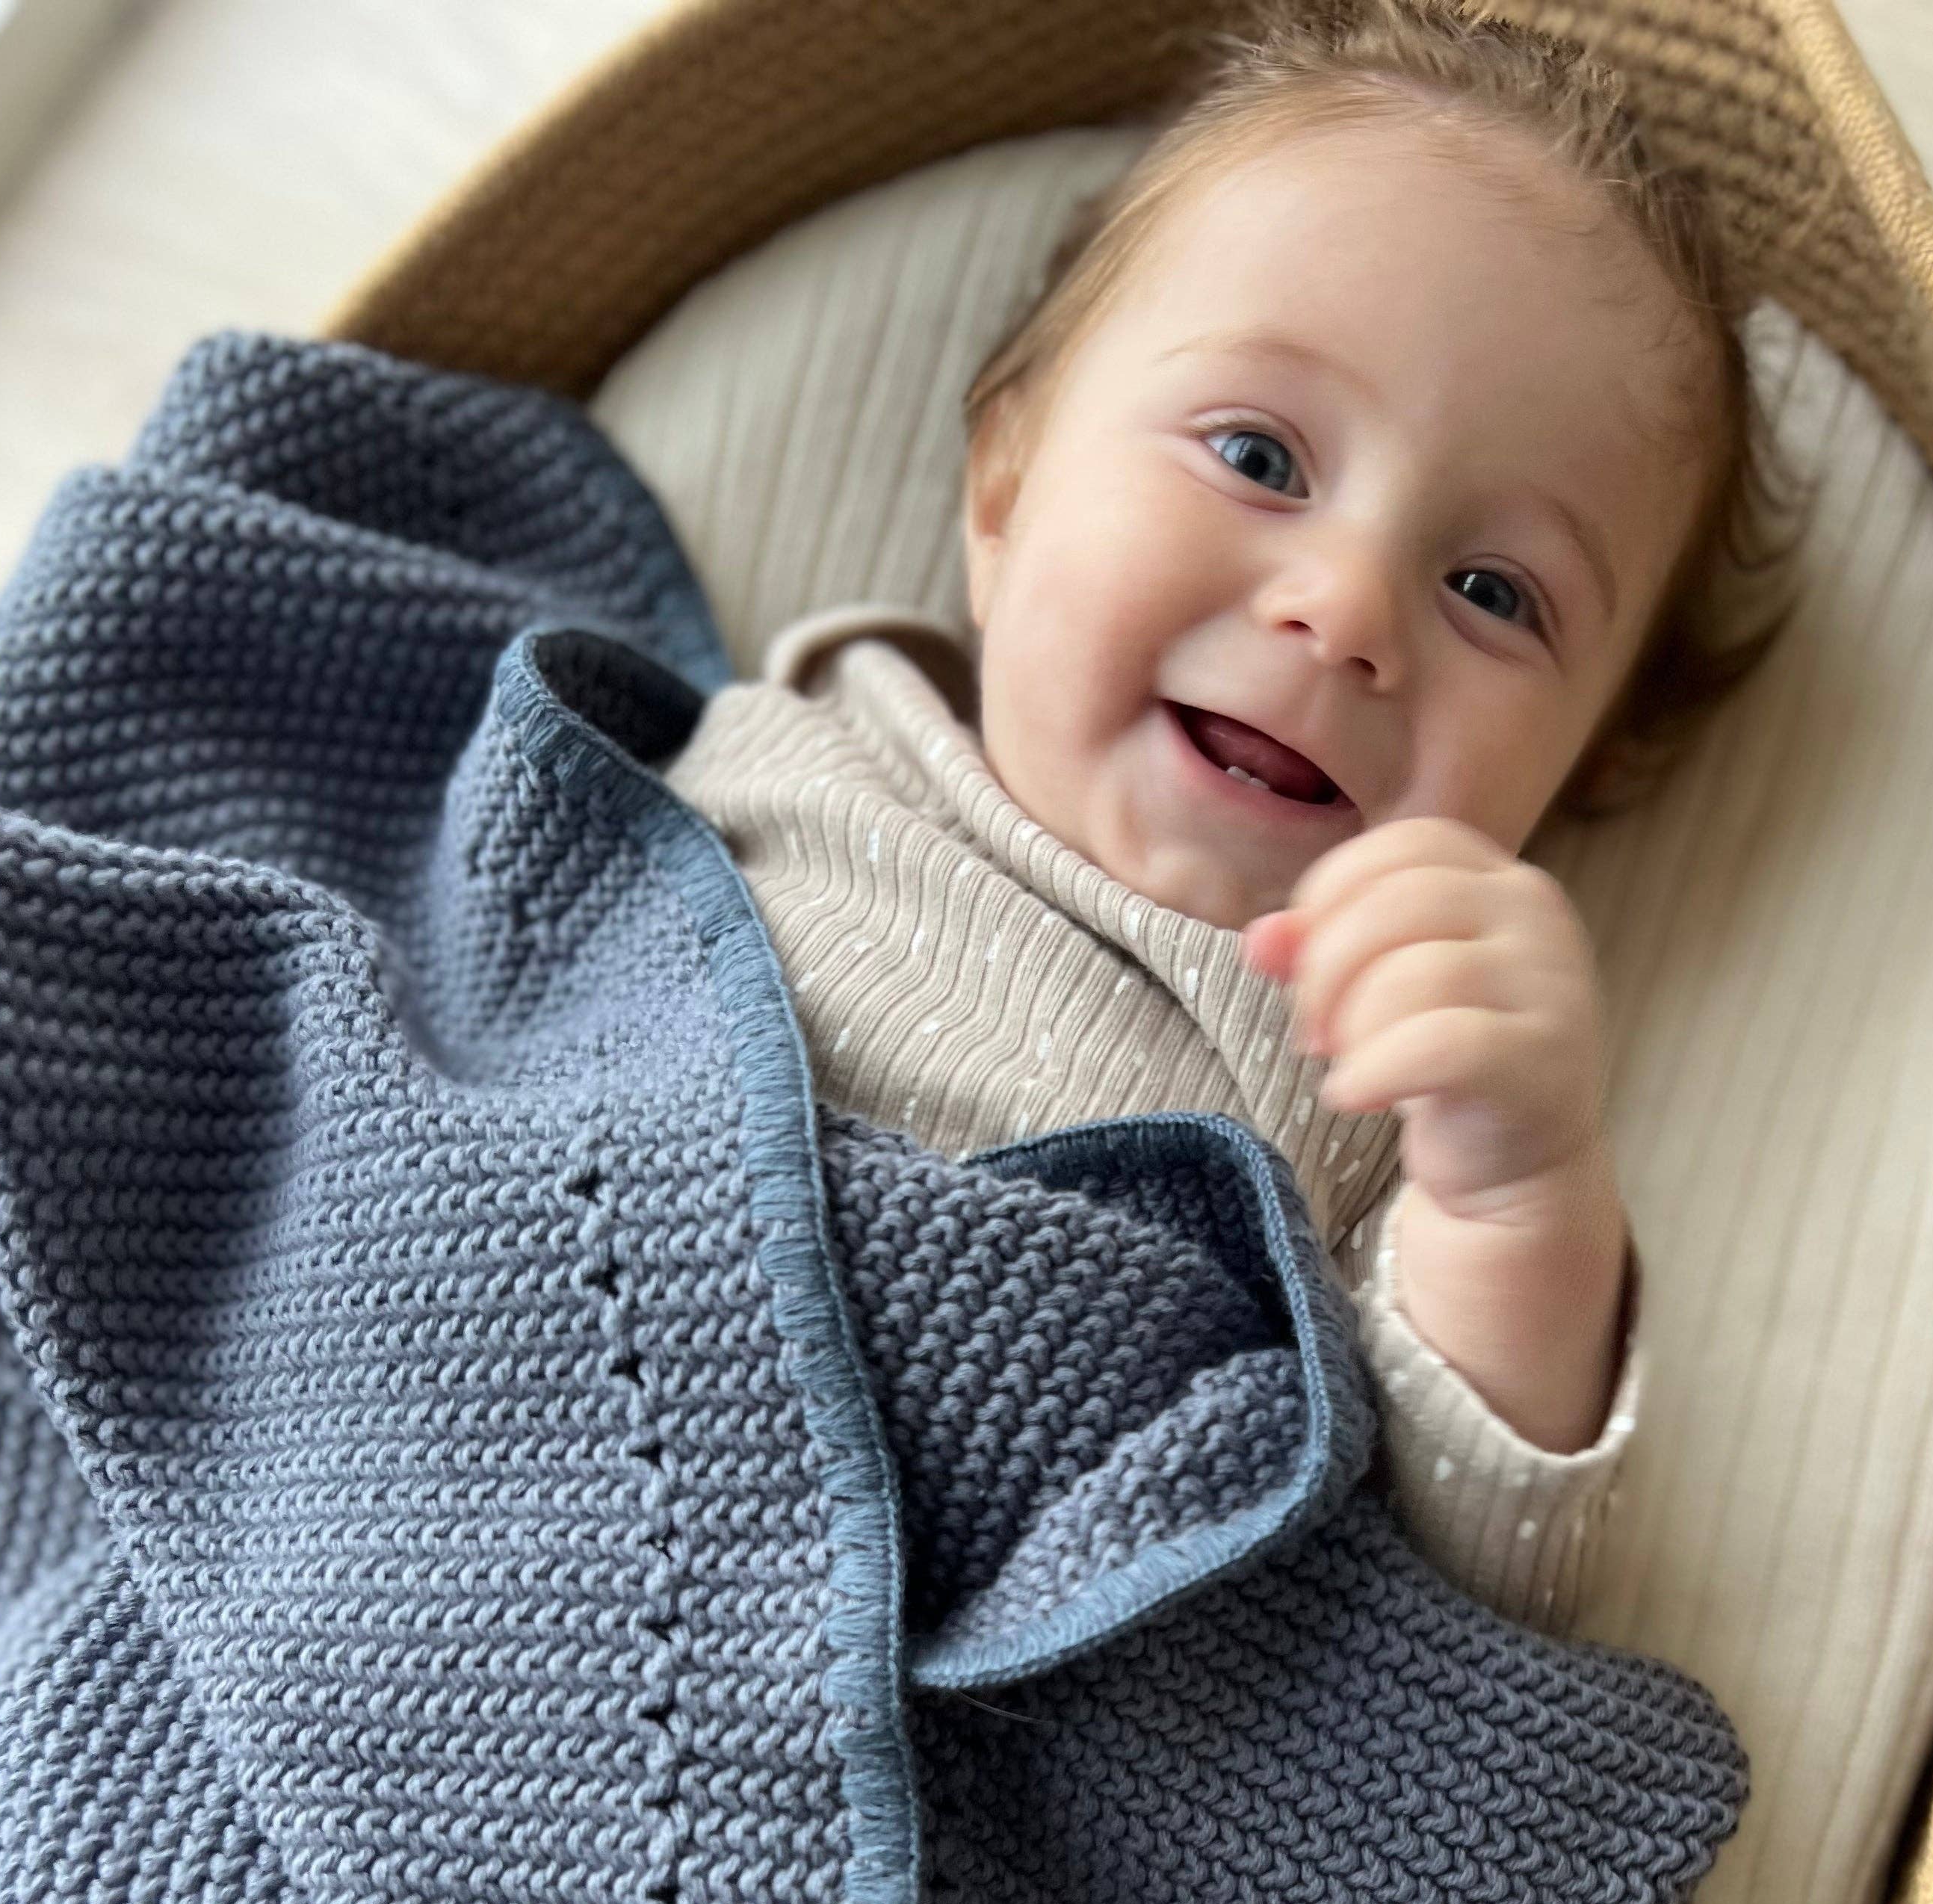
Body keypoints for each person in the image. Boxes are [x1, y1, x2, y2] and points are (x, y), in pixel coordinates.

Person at [669, 0, 1787, 1632]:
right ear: (1005, 491)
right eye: (1259, 456)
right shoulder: (780, 746)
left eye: (1494, 592)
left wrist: (1519, 1188)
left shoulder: (1384, 1080)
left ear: (1582, 771)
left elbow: (1461, 1604)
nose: (1346, 609)